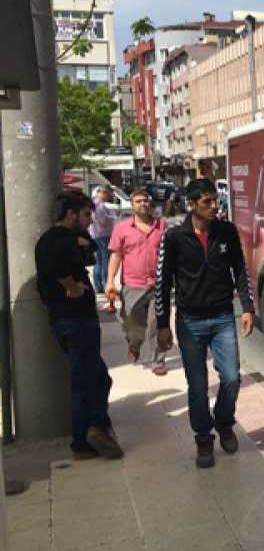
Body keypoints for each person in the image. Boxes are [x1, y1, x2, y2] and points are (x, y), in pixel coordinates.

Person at [155, 179, 255, 468]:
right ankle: (203, 438)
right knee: (197, 386)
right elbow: (162, 281)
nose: (214, 207)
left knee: (232, 377)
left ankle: (224, 422)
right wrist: (162, 324)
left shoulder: (226, 231)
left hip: (223, 317)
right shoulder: (174, 237)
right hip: (190, 322)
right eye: (207, 202)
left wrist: (247, 307)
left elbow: (240, 270)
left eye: (215, 201)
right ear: (191, 204)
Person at [35, 192, 123, 461]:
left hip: (67, 320)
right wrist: (72, 287)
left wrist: (82, 244)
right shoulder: (60, 241)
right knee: (85, 381)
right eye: (85, 215)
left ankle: (95, 429)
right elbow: (60, 269)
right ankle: (87, 437)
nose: (89, 220)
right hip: (76, 321)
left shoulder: (55, 240)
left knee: (97, 377)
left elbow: (91, 250)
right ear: (71, 214)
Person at [105, 189, 170, 374]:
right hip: (132, 285)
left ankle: (158, 362)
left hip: (158, 285)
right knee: (132, 323)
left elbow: (171, 254)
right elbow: (116, 255)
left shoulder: (162, 226)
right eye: (138, 201)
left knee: (156, 324)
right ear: (132, 205)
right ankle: (134, 344)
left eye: (145, 200)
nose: (143, 204)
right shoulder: (121, 228)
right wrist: (110, 281)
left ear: (150, 204)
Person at [89, 186, 116, 295]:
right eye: (105, 192)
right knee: (105, 260)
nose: (107, 195)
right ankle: (105, 284)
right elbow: (103, 220)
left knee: (98, 261)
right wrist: (113, 217)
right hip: (103, 235)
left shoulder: (93, 204)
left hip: (96, 235)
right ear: (98, 193)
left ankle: (98, 286)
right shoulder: (99, 204)